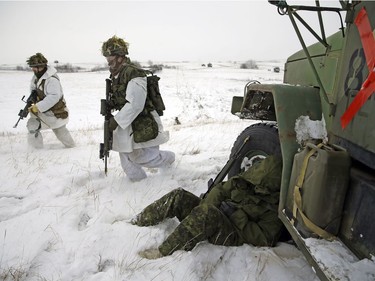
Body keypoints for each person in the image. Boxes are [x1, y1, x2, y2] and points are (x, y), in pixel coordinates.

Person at [131, 155, 285, 259]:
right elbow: (220, 189)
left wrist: (235, 216)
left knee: (206, 213)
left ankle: (163, 252)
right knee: (179, 196)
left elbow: (265, 238)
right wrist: (208, 205)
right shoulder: (247, 180)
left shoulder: (275, 207)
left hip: (233, 232)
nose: (254, 185)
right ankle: (138, 223)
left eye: (259, 185)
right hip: (215, 215)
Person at [101, 36, 175, 181]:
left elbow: (136, 104)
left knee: (145, 158)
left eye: (110, 57)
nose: (108, 60)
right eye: (107, 57)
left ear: (120, 56)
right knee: (127, 159)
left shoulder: (134, 74)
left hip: (143, 122)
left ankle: (170, 159)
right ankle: (139, 186)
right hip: (128, 123)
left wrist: (116, 121)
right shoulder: (117, 75)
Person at [26, 53, 75, 149]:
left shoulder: (52, 79)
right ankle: (35, 150)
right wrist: (32, 100)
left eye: (35, 67)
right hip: (42, 112)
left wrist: (38, 107)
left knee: (61, 132)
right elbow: (33, 90)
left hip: (55, 113)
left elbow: (54, 97)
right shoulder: (36, 78)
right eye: (32, 67)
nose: (33, 69)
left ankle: (73, 149)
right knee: (32, 125)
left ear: (42, 66)